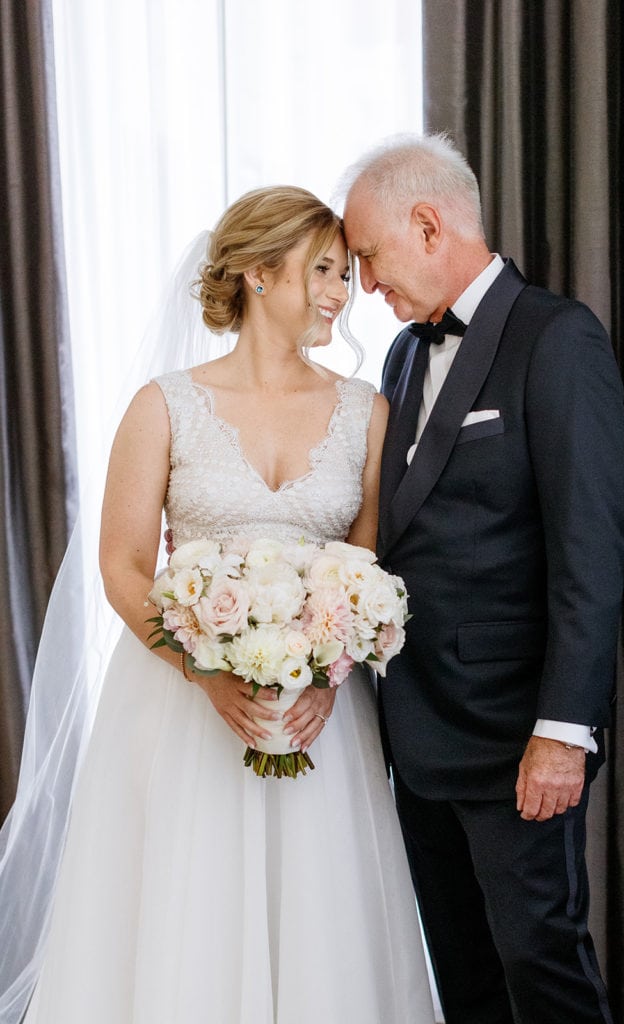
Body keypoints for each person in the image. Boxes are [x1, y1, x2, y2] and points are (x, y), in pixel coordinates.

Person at [2, 186, 436, 1023]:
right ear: (256, 273)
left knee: (322, 923)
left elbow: (364, 562)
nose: (340, 294)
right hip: (181, 708)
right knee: (185, 914)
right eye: (322, 270)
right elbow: (122, 565)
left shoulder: (364, 412)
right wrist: (204, 673)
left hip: (320, 717)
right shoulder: (164, 406)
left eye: (345, 274)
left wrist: (324, 675)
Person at [340, 135, 624, 1024]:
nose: (363, 288)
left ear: (427, 225)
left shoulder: (556, 336)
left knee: (541, 969)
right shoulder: (398, 358)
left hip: (516, 737)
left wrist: (562, 731)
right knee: (461, 980)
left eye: (368, 259)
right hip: (415, 735)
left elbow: (590, 548)